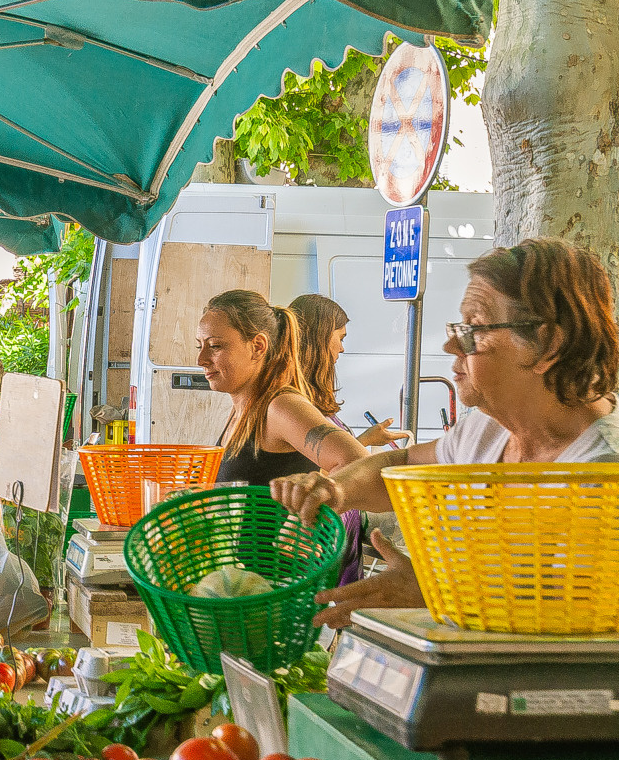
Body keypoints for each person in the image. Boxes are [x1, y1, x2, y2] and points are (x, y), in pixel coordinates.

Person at [273, 239, 619, 628]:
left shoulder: (602, 470)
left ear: (547, 345)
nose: (450, 344)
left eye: (474, 329)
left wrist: (432, 591)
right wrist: (337, 490)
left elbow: (574, 613)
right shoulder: (487, 431)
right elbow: (401, 463)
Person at [198, 290, 366, 486]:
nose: (201, 360)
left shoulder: (281, 407)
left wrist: (312, 502)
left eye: (215, 346)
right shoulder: (243, 407)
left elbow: (360, 463)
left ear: (258, 346)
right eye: (199, 346)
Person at [289, 293, 403, 447]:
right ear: (320, 337)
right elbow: (322, 467)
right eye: (341, 338)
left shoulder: (309, 396)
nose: (342, 349)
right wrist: (366, 440)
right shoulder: (294, 403)